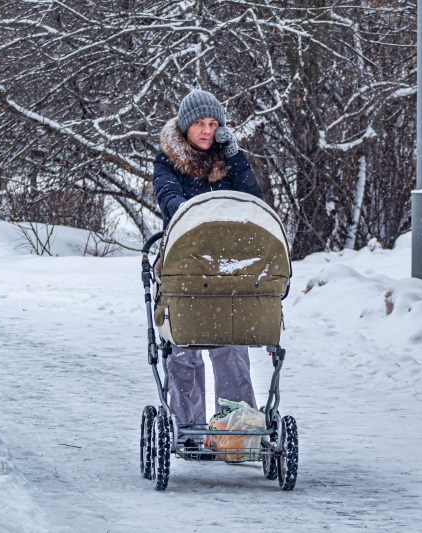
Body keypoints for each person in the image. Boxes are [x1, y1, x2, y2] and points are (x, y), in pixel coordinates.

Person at [152, 90, 262, 449]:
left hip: (226, 264)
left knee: (230, 345)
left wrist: (236, 156)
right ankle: (189, 432)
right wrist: (196, 218)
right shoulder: (168, 161)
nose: (206, 130)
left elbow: (253, 200)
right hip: (183, 262)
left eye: (213, 124)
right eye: (200, 123)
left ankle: (236, 431)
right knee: (184, 347)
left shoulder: (227, 160)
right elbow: (168, 197)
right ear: (185, 126)